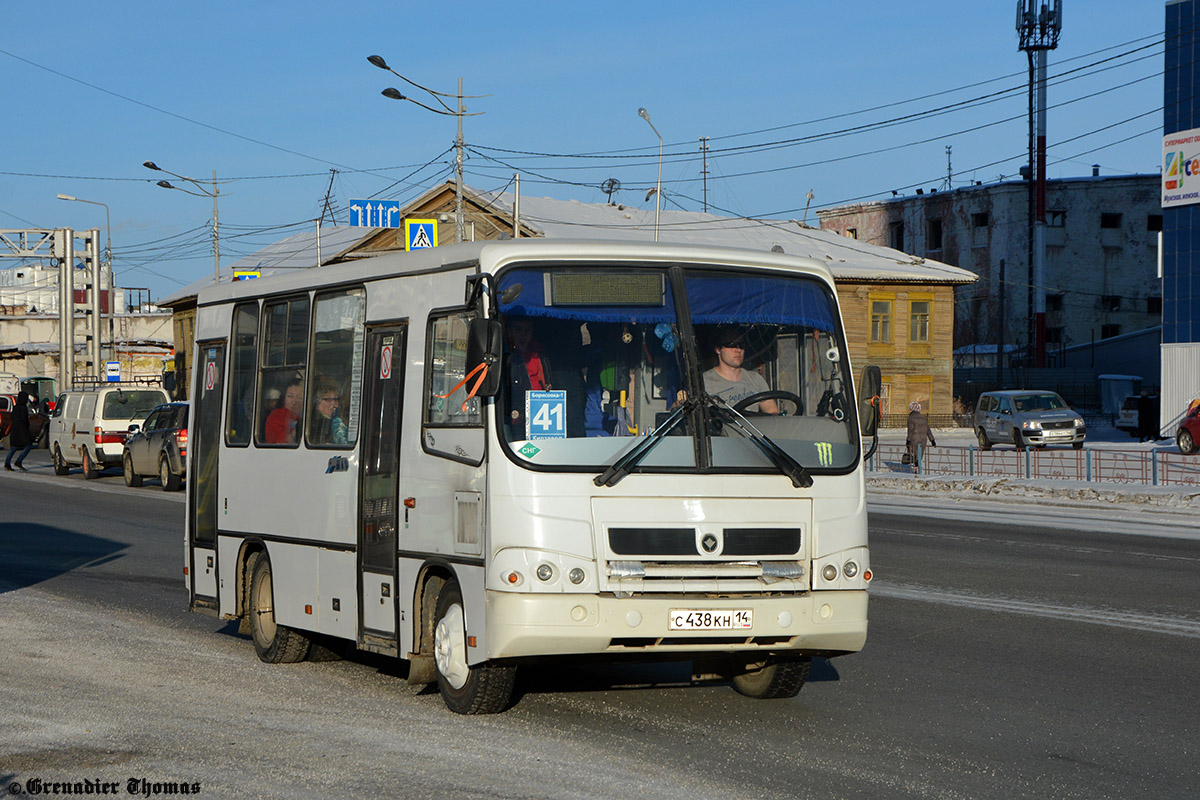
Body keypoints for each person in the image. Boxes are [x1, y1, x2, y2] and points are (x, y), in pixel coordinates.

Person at [702, 327, 779, 414]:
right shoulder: (704, 382)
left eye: (741, 345)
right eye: (731, 345)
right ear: (718, 350)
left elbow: (773, 413)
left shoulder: (755, 379)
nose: (738, 350)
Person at [507, 317, 553, 435]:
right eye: (518, 330)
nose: (523, 335)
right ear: (510, 331)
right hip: (518, 417)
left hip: (542, 415)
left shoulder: (540, 354)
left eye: (528, 330)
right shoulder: (507, 356)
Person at [265, 377, 303, 444]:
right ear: (284, 397)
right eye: (290, 396)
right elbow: (282, 443)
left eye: (299, 398)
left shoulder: (309, 417)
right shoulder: (276, 417)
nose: (294, 402)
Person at [309, 379, 348, 445]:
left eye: (336, 399)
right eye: (328, 399)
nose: (334, 404)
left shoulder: (341, 422)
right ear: (317, 404)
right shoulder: (311, 425)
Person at [5, 391, 36, 471]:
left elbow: (12, 418)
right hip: (22, 430)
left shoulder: (15, 407)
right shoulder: (23, 408)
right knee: (28, 445)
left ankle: (7, 463)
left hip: (15, 430)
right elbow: (24, 419)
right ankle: (18, 461)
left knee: (14, 447)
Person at [905, 401, 936, 472]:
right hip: (923, 440)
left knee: (913, 455)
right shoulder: (923, 418)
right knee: (919, 455)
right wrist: (932, 440)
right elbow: (928, 430)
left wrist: (908, 440)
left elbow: (910, 430)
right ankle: (918, 469)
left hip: (914, 439)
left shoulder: (911, 417)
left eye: (910, 408)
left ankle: (916, 469)